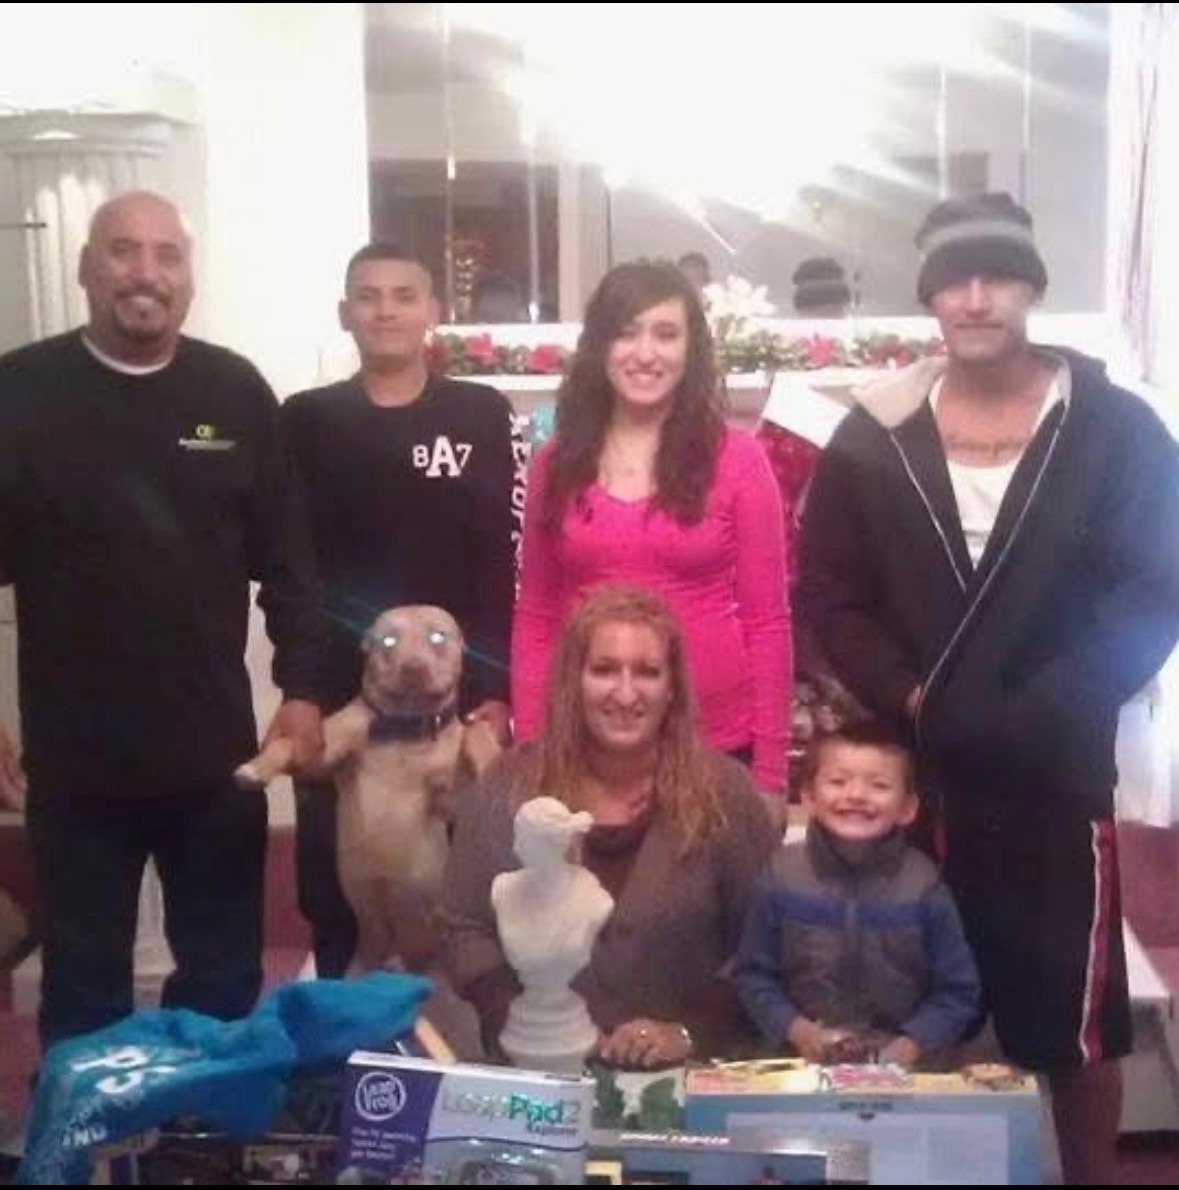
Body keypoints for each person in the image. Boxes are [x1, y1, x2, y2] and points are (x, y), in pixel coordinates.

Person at [799, 191, 1179, 1183]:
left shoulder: (1113, 429)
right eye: (954, 280)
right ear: (930, 296)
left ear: (1031, 289)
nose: (975, 299)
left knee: (1073, 1021)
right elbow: (832, 592)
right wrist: (908, 696)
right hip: (918, 773)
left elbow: (1155, 586)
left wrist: (1052, 704)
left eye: (997, 276)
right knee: (912, 1002)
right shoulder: (876, 434)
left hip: (1059, 773)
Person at [0, 190, 324, 1046]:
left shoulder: (234, 391)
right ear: (85, 268)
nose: (146, 273)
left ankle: (203, 1124)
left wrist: (301, 690)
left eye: (166, 255)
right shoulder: (19, 393)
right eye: (122, 251)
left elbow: (290, 561)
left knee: (222, 987)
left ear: (189, 277)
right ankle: (91, 1125)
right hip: (75, 768)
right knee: (83, 993)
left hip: (215, 764)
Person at [281, 242, 521, 977]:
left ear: (433, 312)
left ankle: (459, 1037)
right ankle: (341, 1037)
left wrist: (496, 690)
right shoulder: (306, 420)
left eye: (404, 295)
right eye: (368, 296)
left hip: (456, 704)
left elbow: (500, 562)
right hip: (343, 699)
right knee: (337, 899)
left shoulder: (479, 414)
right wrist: (300, 691)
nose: (385, 311)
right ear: (344, 313)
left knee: (466, 894)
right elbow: (292, 568)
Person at [444, 584, 776, 1066]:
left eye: (647, 672)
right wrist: (522, 1020)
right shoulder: (507, 786)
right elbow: (464, 929)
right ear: (573, 681)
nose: (625, 693)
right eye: (604, 670)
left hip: (685, 1077)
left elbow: (765, 944)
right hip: (535, 1071)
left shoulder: (725, 793)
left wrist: (689, 1033)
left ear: (672, 688)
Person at [511, 260, 791, 800]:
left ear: (692, 349)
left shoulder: (739, 460)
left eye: (665, 334)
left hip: (713, 742)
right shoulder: (555, 462)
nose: (645, 353)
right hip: (583, 742)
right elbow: (536, 615)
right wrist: (531, 748)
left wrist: (772, 774)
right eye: (626, 333)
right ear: (600, 346)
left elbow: (768, 622)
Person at [734, 719, 981, 1067]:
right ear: (808, 797)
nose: (856, 796)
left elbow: (958, 991)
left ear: (908, 808)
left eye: (879, 785)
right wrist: (796, 1030)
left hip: (904, 1072)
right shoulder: (780, 878)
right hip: (798, 1067)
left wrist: (912, 1043)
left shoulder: (924, 886)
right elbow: (752, 975)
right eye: (838, 781)